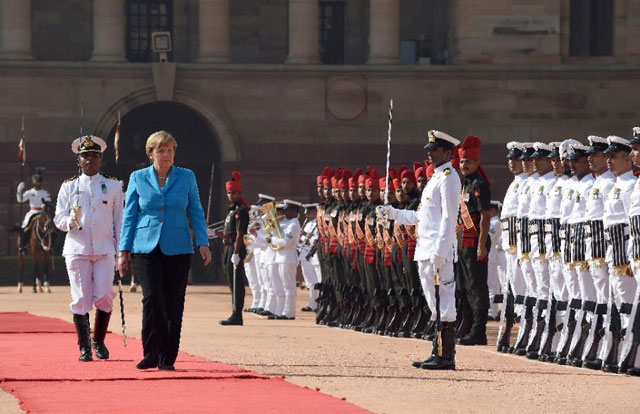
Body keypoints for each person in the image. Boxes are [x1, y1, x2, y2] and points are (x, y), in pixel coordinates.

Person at [118, 130, 211, 371]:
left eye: (170, 150)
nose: (167, 155)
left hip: (178, 245)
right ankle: (150, 353)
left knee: (173, 302)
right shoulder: (137, 178)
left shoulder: (186, 177)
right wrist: (123, 250)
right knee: (152, 298)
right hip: (145, 246)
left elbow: (196, 211)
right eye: (161, 151)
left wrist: (203, 242)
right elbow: (129, 216)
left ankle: (167, 357)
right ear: (151, 154)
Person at [381, 129, 462, 370]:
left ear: (448, 152)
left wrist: (441, 251)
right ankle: (436, 351)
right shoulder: (435, 178)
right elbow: (422, 216)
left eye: (435, 150)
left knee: (443, 302)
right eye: (429, 150)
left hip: (439, 251)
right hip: (425, 249)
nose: (430, 154)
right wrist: (394, 214)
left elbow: (449, 219)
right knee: (433, 303)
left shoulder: (449, 177)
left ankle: (446, 355)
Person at [53, 135, 123, 362]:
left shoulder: (113, 186)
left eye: (94, 156)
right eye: (85, 156)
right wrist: (68, 222)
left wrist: (122, 251)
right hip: (77, 248)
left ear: (101, 160)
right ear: (78, 161)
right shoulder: (69, 187)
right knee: (80, 298)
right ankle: (84, 347)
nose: (90, 159)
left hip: (105, 248)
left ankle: (99, 341)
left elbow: (119, 220)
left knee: (104, 296)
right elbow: (58, 218)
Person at [455, 135, 492, 346]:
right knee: (465, 285)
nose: (463, 165)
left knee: (477, 286)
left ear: (476, 163)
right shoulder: (464, 184)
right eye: (461, 161)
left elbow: (485, 216)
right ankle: (468, 326)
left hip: (475, 242)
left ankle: (479, 330)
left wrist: (481, 245)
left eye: (467, 161)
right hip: (463, 242)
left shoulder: (479, 184)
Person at [217, 172, 250, 326]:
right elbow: (228, 234)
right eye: (229, 193)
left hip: (235, 249)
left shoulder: (241, 211)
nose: (231, 195)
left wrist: (236, 253)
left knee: (237, 283)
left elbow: (239, 234)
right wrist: (215, 234)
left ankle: (237, 315)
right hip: (228, 248)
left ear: (239, 193)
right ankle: (234, 312)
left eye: (234, 193)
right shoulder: (231, 211)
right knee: (231, 282)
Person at [268, 200, 302, 320]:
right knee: (284, 287)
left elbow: (286, 242)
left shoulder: (293, 224)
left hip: (288, 258)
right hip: (281, 257)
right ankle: (281, 311)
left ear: (295, 211)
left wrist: (272, 239)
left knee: (289, 287)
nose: (285, 212)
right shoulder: (287, 223)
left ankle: (289, 313)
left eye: (288, 210)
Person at [16, 172, 51, 254]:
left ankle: (51, 246)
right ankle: (23, 246)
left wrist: (45, 208)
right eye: (36, 181)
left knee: (51, 227)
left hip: (42, 213)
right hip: (32, 212)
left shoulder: (45, 193)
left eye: (39, 181)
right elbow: (20, 200)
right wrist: (19, 191)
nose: (37, 183)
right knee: (24, 227)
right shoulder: (30, 192)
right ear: (33, 182)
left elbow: (48, 202)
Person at [299, 203, 321, 311]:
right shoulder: (308, 224)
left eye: (308, 213)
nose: (306, 215)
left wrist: (306, 236)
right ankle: (312, 304)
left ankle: (318, 303)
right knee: (309, 281)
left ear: (314, 213)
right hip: (305, 255)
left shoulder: (318, 224)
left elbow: (316, 240)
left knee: (317, 280)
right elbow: (304, 240)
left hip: (314, 254)